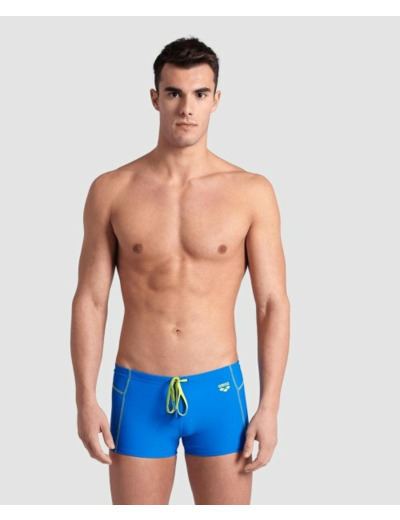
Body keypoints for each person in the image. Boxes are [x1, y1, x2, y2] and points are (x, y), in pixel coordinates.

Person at [70, 36, 290, 505]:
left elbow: (272, 303)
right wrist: (84, 398)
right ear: (155, 98)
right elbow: (91, 298)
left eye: (199, 94)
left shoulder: (251, 192)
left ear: (216, 99)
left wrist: (270, 405)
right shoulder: (112, 190)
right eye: (173, 93)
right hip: (138, 392)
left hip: (219, 391)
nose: (186, 107)